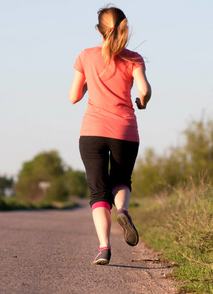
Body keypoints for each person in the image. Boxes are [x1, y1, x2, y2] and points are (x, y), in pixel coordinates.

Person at [69, 5, 152, 265]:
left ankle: (104, 248)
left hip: (92, 131)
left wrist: (89, 83)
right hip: (124, 130)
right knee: (121, 180)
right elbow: (145, 90)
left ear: (99, 30)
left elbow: (73, 97)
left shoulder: (86, 56)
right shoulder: (134, 58)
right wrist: (142, 102)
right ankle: (123, 211)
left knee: (98, 193)